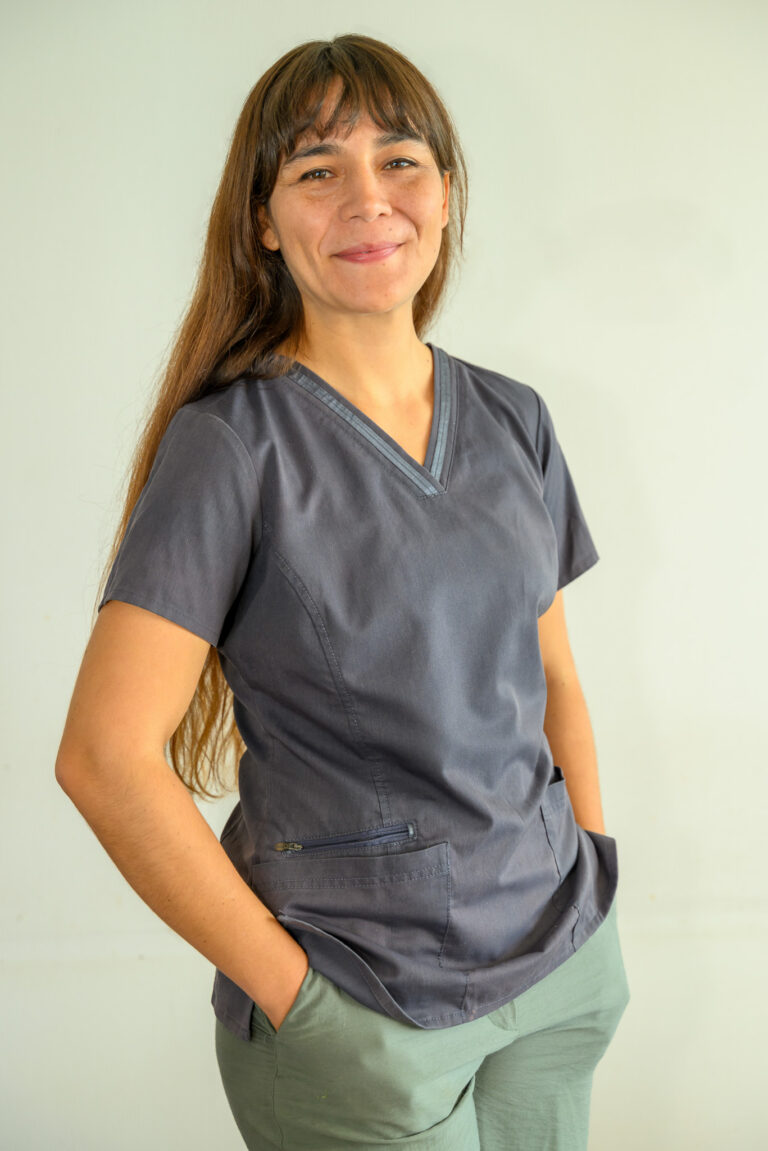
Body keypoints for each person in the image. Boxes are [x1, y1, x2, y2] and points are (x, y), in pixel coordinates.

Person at [55, 32, 630, 1151]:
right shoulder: (231, 445)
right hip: (367, 1007)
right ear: (264, 222)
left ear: (446, 192)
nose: (369, 198)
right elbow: (103, 757)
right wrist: (302, 1002)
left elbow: (553, 675)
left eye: (400, 160)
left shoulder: (514, 418)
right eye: (318, 170)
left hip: (560, 974)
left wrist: (594, 877)